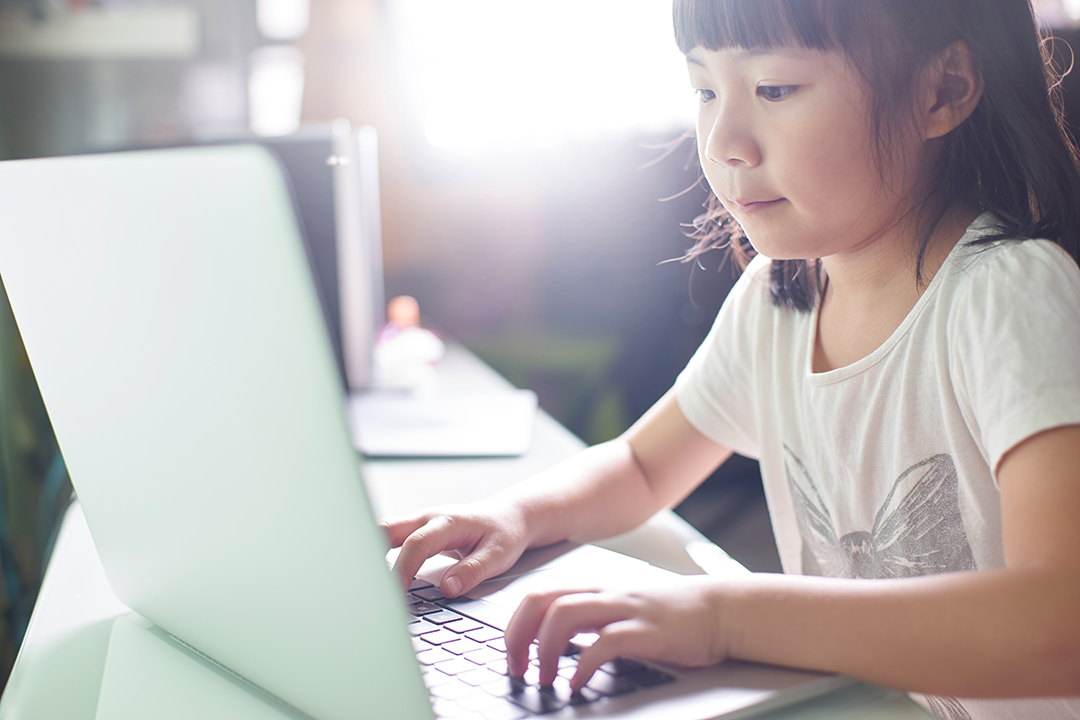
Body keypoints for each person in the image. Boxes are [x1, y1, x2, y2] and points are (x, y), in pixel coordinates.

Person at [380, 1, 1080, 718]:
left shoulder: (1008, 298)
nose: (723, 141)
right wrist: (516, 515)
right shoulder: (778, 301)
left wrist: (726, 616)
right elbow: (645, 464)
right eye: (705, 90)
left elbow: (1062, 619)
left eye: (775, 89)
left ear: (943, 89)